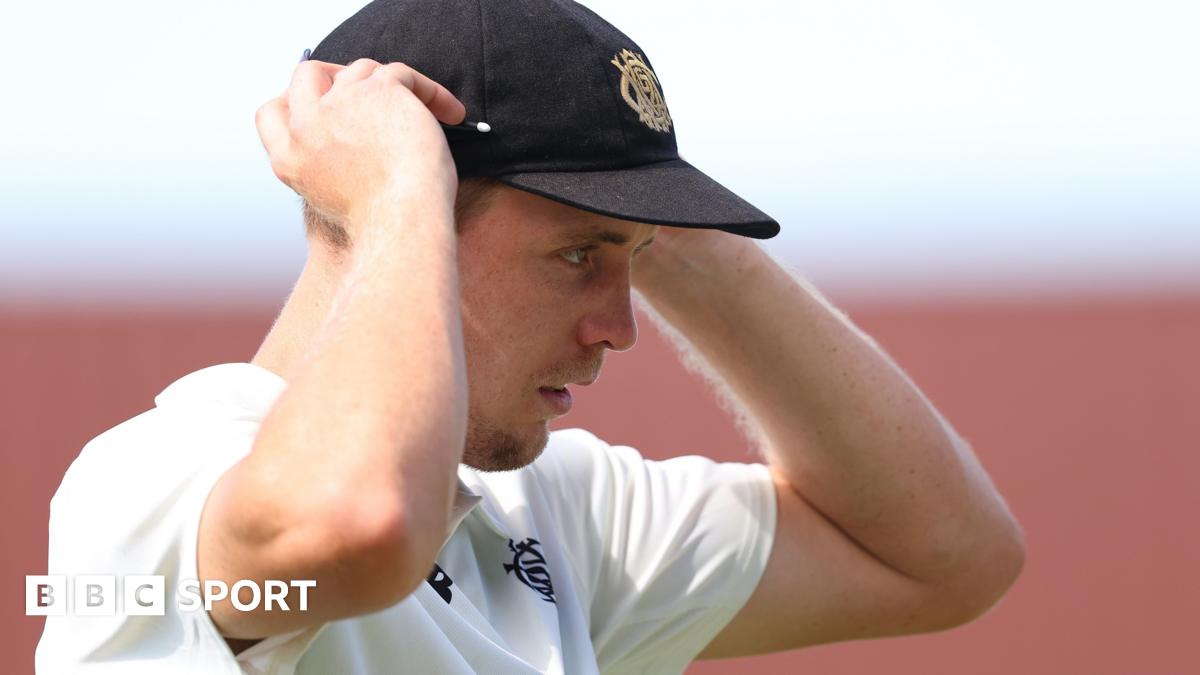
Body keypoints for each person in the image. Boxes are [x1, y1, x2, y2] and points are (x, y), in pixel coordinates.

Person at [36, 0, 1025, 672]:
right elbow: (355, 525)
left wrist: (658, 222)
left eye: (631, 257)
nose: (620, 329)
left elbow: (947, 557)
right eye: (576, 254)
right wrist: (396, 193)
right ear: (406, 210)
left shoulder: (549, 514)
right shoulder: (150, 479)